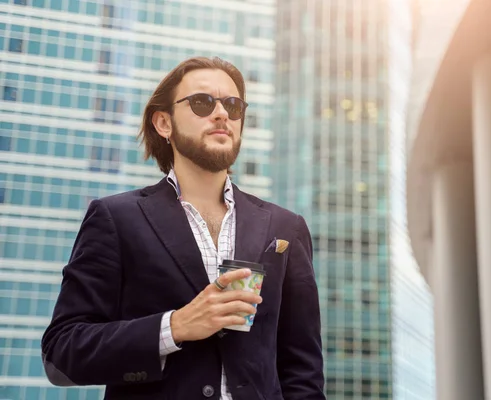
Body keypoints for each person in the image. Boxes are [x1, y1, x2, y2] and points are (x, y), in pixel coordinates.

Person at [41, 56, 325, 400]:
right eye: (202, 103)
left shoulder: (285, 227)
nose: (222, 114)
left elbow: (303, 371)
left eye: (233, 106)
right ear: (164, 122)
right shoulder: (116, 218)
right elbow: (63, 352)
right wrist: (174, 327)